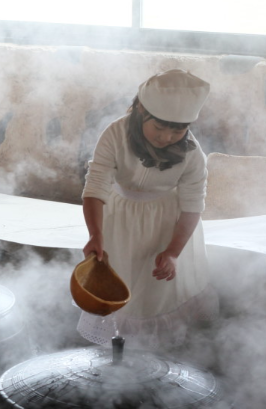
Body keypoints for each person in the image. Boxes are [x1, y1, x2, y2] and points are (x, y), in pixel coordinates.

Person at [78, 69, 219, 348]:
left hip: (168, 224)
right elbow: (95, 188)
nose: (167, 137)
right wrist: (95, 235)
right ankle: (120, 350)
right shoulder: (116, 134)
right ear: (141, 110)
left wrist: (174, 252)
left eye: (178, 130)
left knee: (158, 289)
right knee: (122, 280)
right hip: (119, 220)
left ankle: (158, 355)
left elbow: (192, 206)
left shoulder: (192, 154)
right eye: (159, 127)